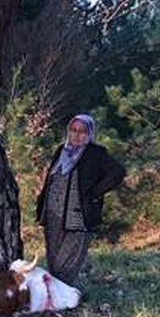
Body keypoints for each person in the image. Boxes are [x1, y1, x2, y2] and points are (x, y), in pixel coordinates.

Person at [35, 113, 126, 288]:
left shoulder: (96, 153)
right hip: (53, 215)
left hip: (78, 214)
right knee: (53, 257)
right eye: (73, 130)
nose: (77, 135)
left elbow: (118, 172)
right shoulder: (61, 150)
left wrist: (95, 192)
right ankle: (53, 294)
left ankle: (63, 293)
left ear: (89, 133)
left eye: (82, 131)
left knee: (69, 257)